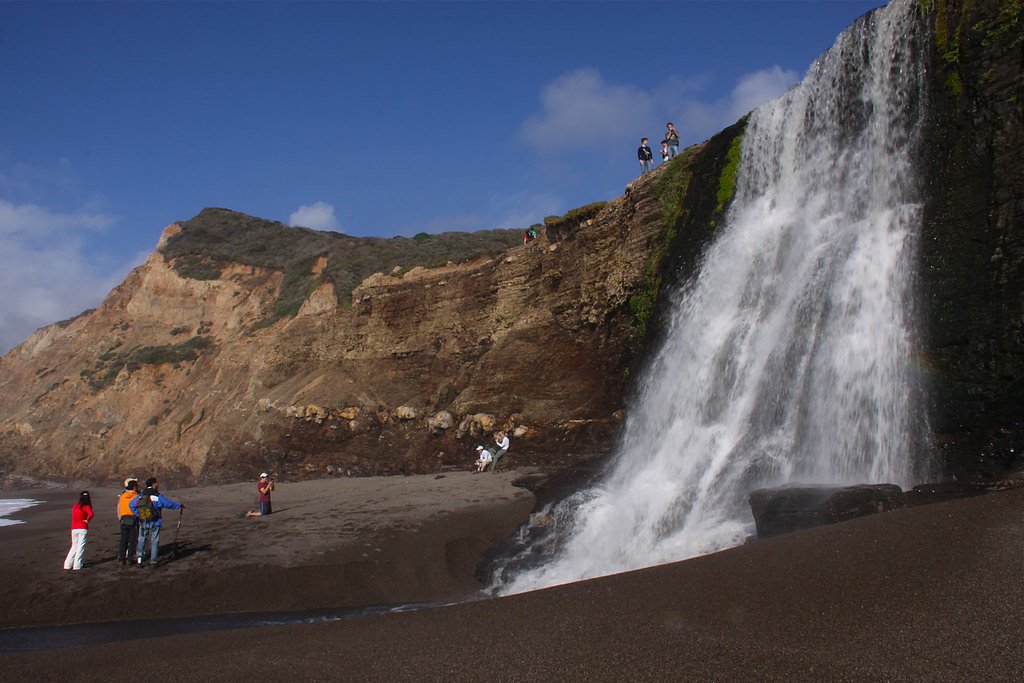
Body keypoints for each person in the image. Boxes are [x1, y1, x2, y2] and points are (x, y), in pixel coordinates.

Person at [130, 477, 184, 568]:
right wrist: (179, 505)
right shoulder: (157, 496)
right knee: (154, 541)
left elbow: (131, 505)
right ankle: (153, 562)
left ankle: (139, 560)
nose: (158, 485)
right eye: (156, 483)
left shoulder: (140, 496)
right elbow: (168, 504)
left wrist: (138, 514)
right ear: (153, 484)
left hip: (143, 522)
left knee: (141, 541)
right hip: (155, 522)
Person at [63, 491, 93, 571]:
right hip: (82, 527)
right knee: (80, 546)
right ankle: (77, 565)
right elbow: (91, 514)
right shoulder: (86, 506)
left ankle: (67, 564)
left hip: (74, 528)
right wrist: (87, 520)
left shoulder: (76, 506)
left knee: (74, 546)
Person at [117, 478, 140, 565]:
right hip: (133, 519)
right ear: (134, 487)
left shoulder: (122, 497)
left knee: (123, 540)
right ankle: (130, 558)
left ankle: (121, 558)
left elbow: (119, 509)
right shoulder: (136, 497)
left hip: (123, 519)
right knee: (132, 540)